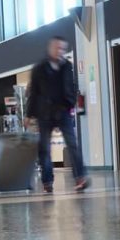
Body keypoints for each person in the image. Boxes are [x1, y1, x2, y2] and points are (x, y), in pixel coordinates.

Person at [25, 36, 90, 194]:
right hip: (44, 114)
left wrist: (71, 102)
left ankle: (80, 177)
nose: (60, 51)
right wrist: (29, 114)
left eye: (62, 48)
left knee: (73, 144)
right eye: (57, 48)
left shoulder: (67, 66)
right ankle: (47, 181)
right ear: (50, 48)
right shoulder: (39, 68)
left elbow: (72, 85)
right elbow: (33, 93)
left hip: (63, 112)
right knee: (44, 149)